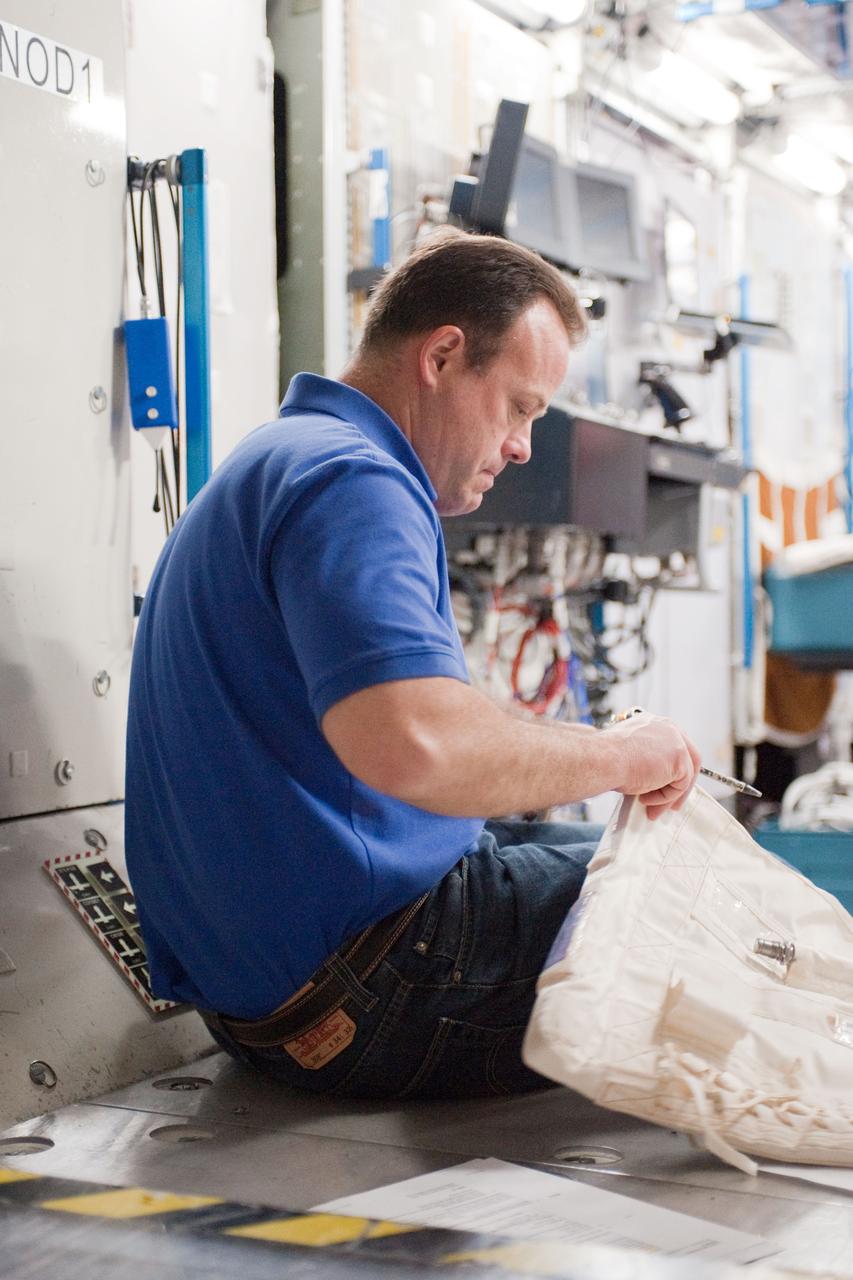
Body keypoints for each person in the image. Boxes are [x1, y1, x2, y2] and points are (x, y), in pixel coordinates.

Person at [125, 227, 700, 1100]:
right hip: (374, 990)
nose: (519, 446)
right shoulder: (354, 481)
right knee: (715, 895)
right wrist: (623, 755)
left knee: (634, 846)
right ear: (441, 356)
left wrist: (556, 762)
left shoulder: (275, 460)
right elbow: (417, 748)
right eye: (518, 407)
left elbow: (402, 741)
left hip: (268, 1004)